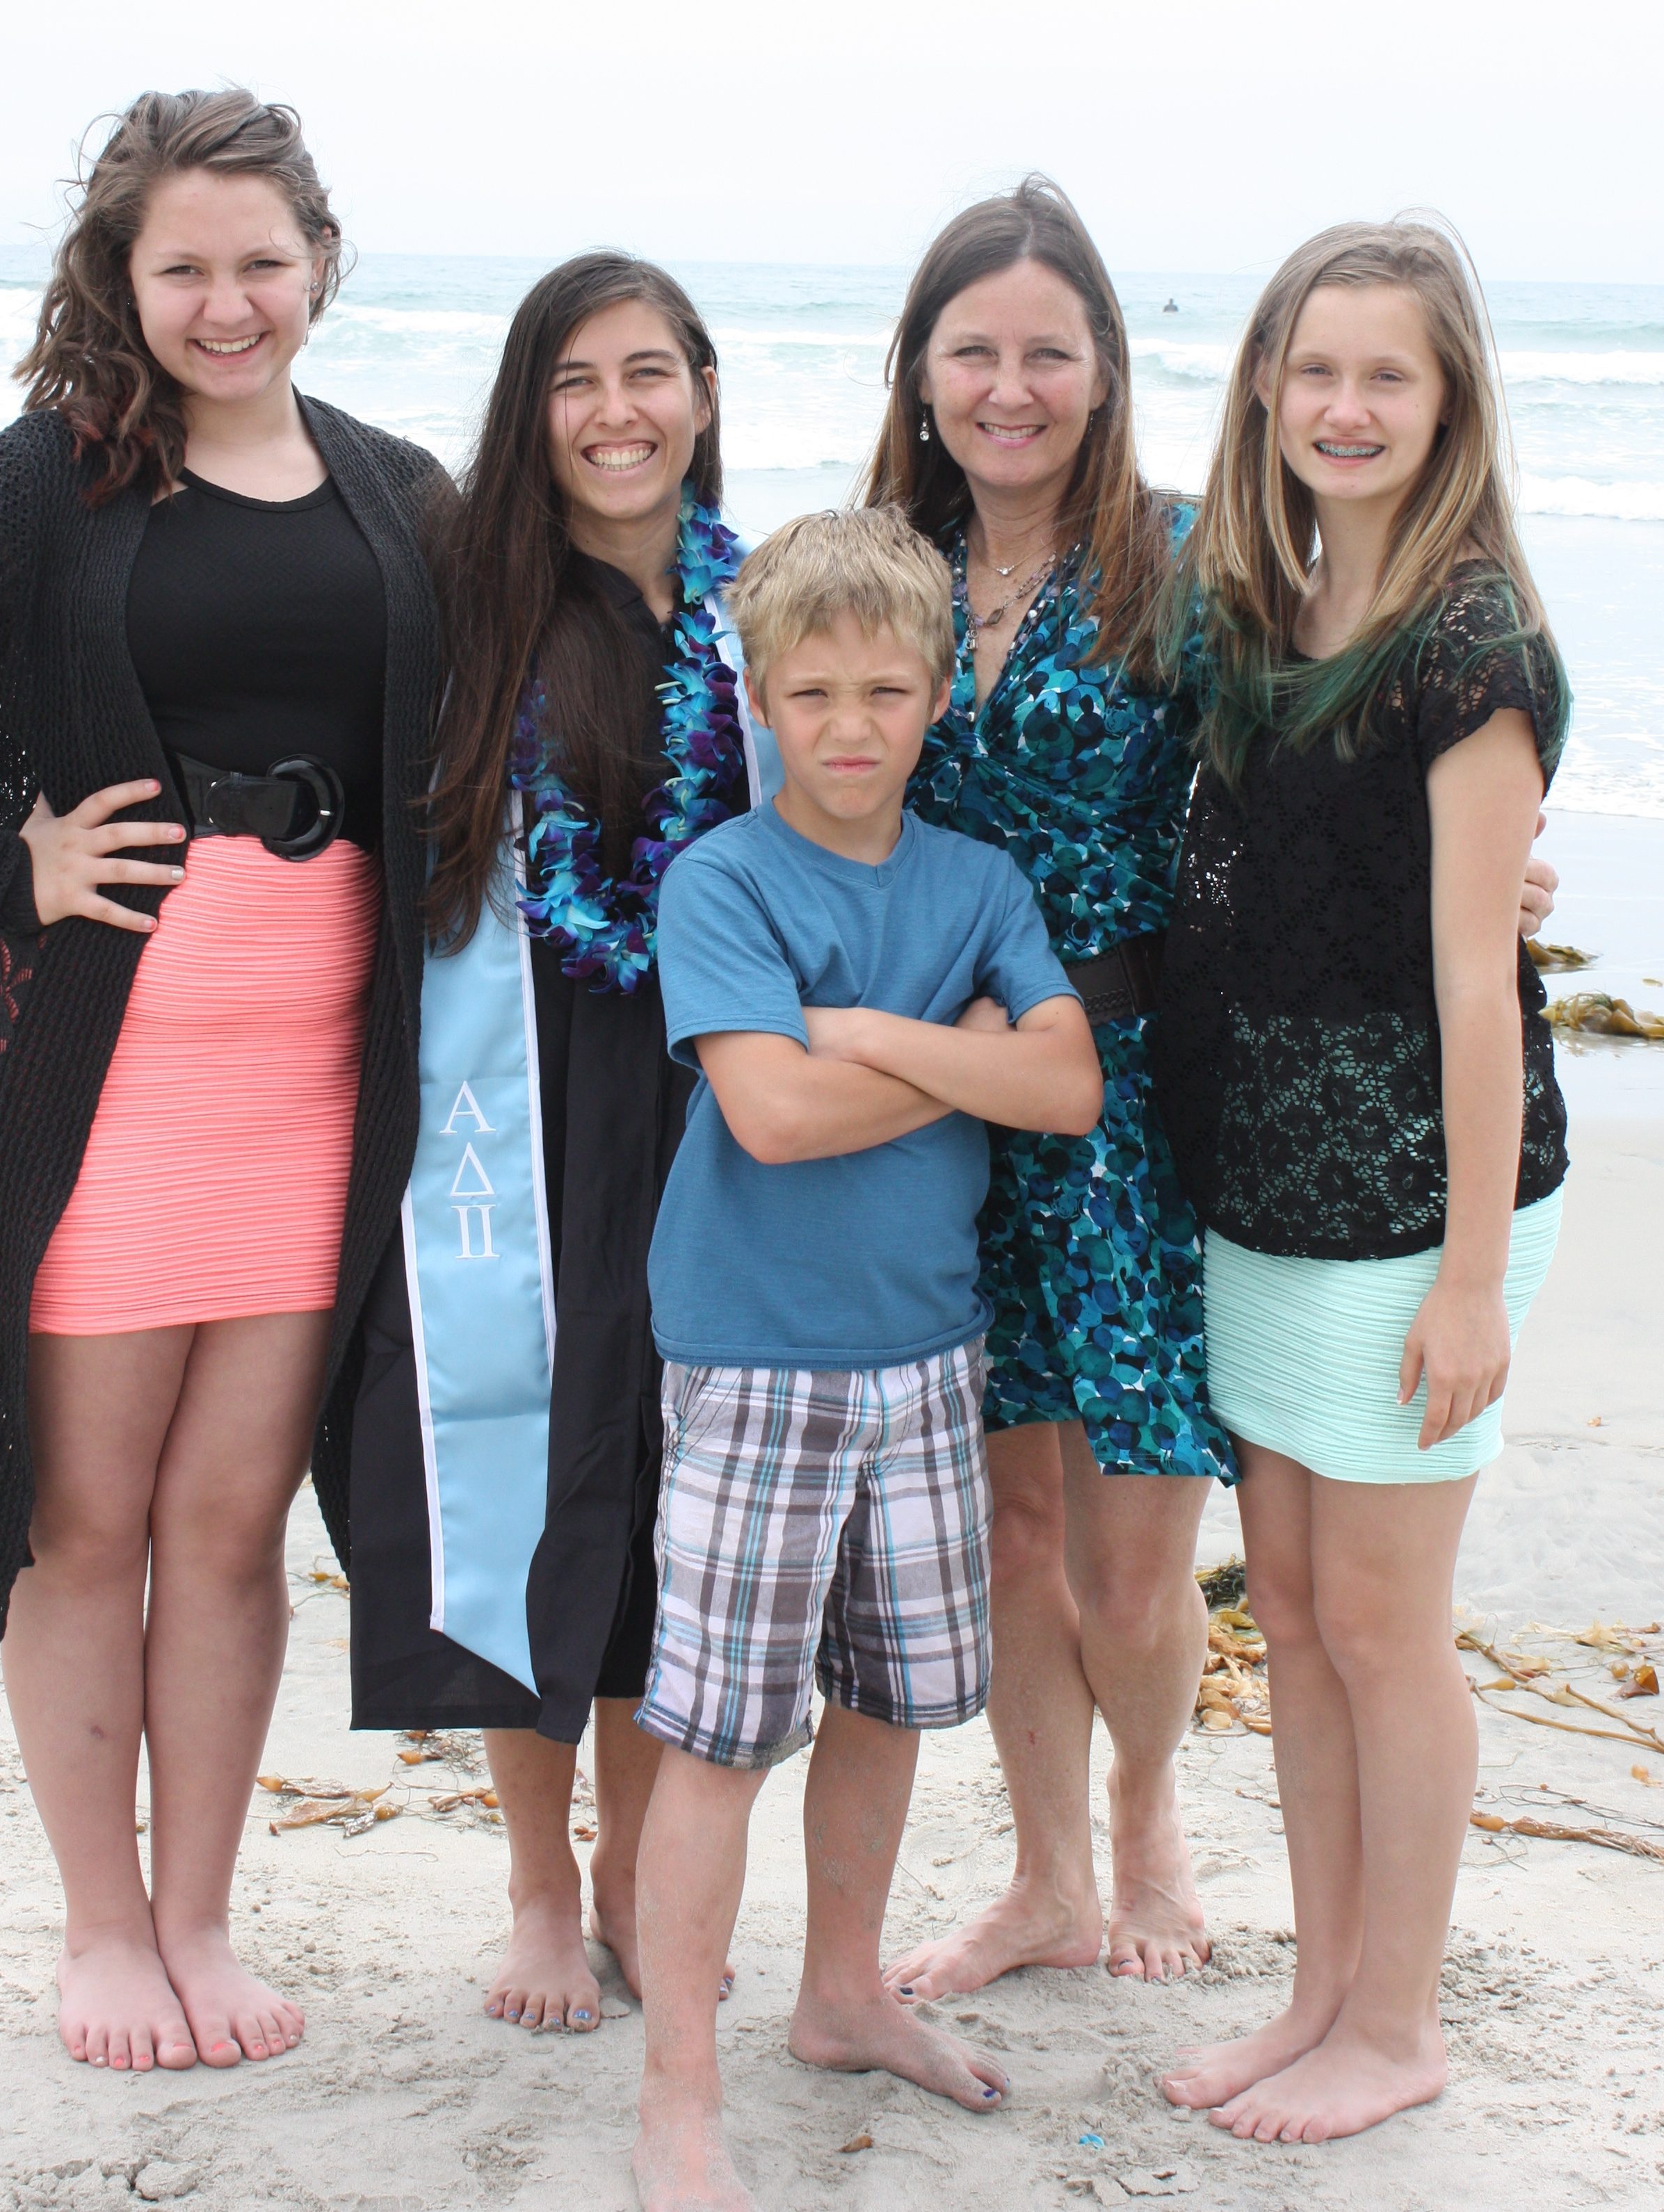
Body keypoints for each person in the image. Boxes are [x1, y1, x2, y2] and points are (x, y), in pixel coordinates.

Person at [861, 177, 1561, 1999]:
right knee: (1014, 1526)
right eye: (973, 349)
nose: (1009, 386)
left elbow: (1335, 770)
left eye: (1049, 351)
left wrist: (1493, 869)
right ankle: (1041, 1872)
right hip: (944, 1109)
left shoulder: (1195, 567)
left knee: (1134, 1537)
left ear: (1107, 373)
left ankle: (1157, 1816)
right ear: (921, 370)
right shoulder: (883, 568)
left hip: (1143, 1105)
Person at [0, 91, 443, 2073]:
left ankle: (201, 1917)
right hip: (96, 1073)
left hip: (315, 1080)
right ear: (124, 276)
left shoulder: (400, 492)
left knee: (238, 1519)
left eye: (263, 259)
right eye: (184, 263)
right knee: (92, 1520)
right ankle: (103, 1928)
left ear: (322, 261)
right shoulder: (47, 486)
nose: (228, 299)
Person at [630, 506, 1104, 2211]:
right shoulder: (725, 879)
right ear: (756, 696)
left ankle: (843, 1992)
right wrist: (963, 1054)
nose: (850, 725)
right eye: (812, 690)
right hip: (758, 1359)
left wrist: (889, 1039)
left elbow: (1065, 1088)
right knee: (721, 1734)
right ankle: (677, 2086)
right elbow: (772, 1110)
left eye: (888, 690)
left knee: (893, 1703)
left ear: (930, 705)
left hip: (928, 1359)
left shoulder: (977, 883)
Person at [1153, 218, 1568, 2142]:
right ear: (1261, 382)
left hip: (1418, 1200)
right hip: (1266, 1182)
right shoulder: (1258, 601)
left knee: (1386, 1623)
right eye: (1315, 369)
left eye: (1386, 375)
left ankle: (1395, 2019)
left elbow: (1484, 977)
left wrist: (1474, 1275)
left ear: (1448, 399)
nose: (1344, 405)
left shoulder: (1471, 640)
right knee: (1298, 1611)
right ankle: (1319, 1988)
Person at [346, 254, 773, 2033]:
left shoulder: (767, 615)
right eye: (577, 379)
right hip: (505, 1097)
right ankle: (535, 1882)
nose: (617, 412)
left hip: (711, 1103)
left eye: (650, 372)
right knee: (526, 1473)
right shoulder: (461, 609)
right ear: (531, 410)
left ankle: (629, 1868)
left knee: (676, 1498)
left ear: (702, 393)